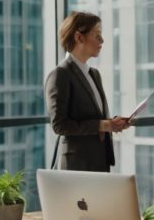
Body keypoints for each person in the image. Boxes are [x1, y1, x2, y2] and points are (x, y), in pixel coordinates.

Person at [45, 11, 130, 172]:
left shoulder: (94, 74)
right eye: (97, 35)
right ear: (79, 37)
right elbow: (59, 125)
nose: (102, 40)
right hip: (76, 165)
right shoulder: (60, 75)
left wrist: (112, 123)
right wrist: (103, 125)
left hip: (99, 161)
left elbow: (94, 118)